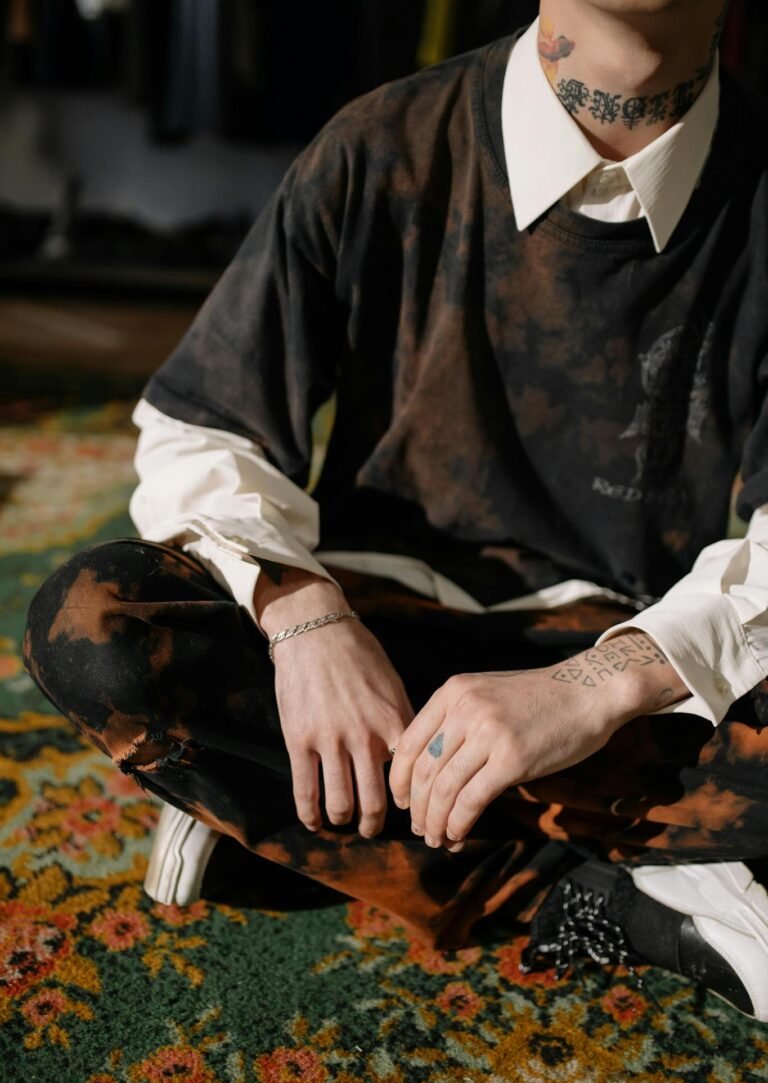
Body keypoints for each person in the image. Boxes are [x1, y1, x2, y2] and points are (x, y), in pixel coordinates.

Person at [24, 0, 768, 1022]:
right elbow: (203, 425)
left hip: (613, 686)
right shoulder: (383, 140)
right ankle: (601, 880)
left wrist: (593, 688)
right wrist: (304, 620)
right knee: (98, 625)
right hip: (374, 648)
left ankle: (295, 826)